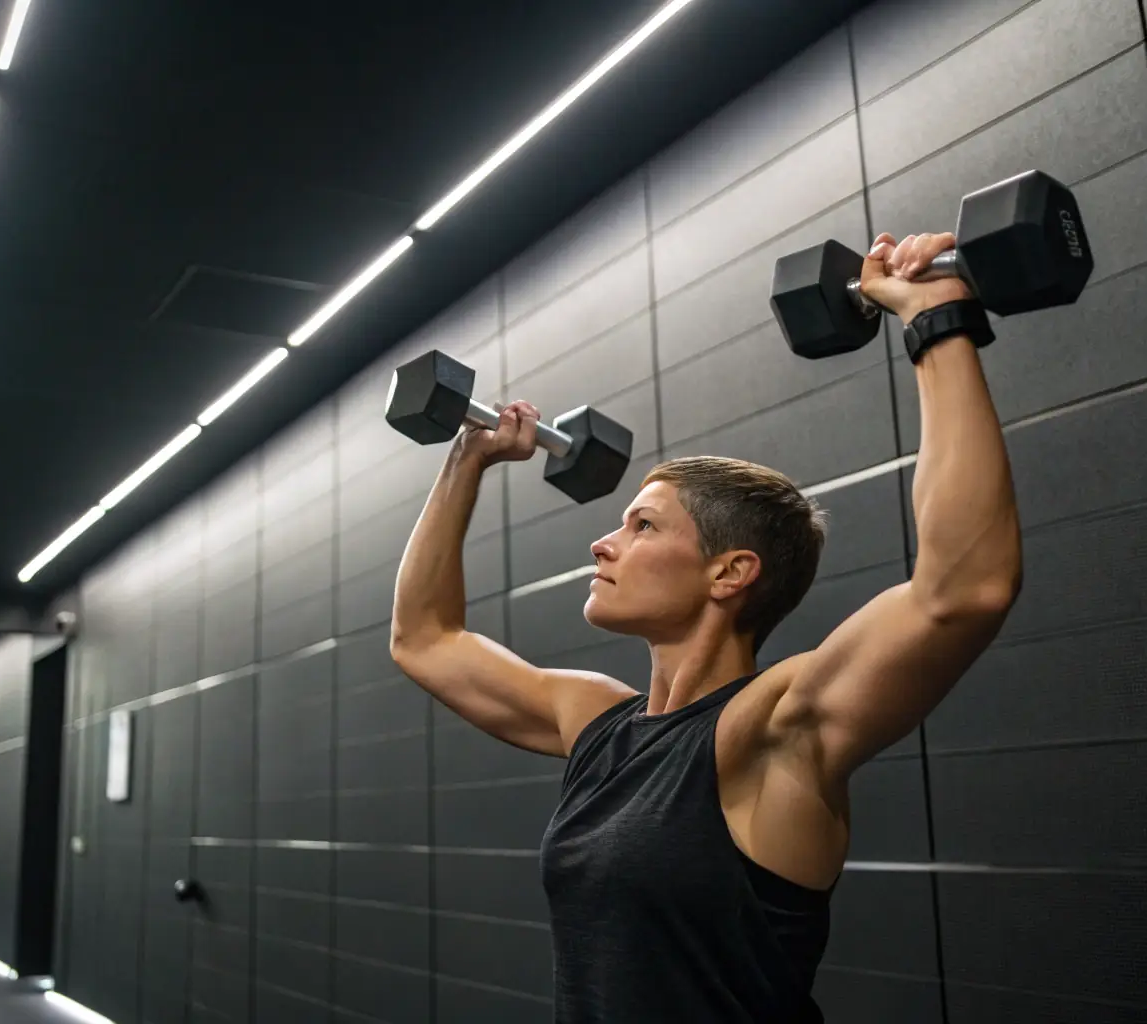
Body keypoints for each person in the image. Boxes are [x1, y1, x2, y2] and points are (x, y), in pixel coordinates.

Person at [389, 230, 1022, 1022]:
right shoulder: (600, 727)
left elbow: (963, 589)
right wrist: (466, 461)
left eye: (643, 526)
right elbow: (424, 637)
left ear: (731, 572)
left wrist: (936, 322)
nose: (603, 541)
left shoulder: (775, 729)